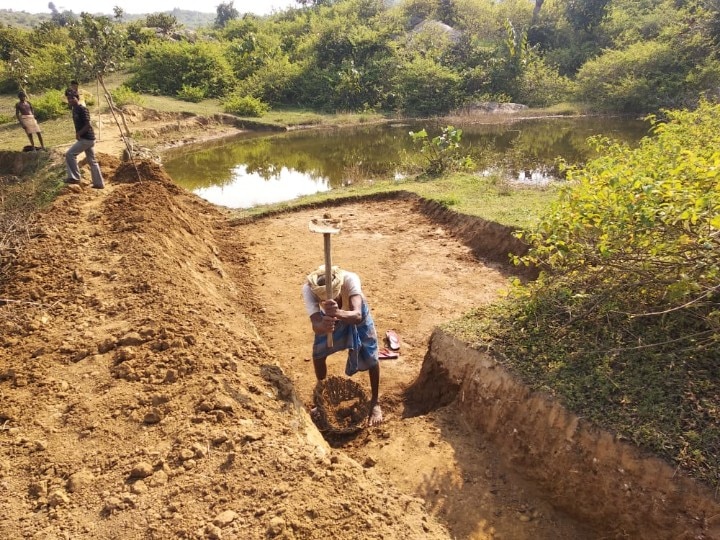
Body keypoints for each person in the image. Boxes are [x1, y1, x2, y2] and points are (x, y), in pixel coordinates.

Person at [302, 265, 383, 426]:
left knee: (370, 354)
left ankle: (375, 401)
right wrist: (323, 325)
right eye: (322, 300)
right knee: (318, 354)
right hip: (329, 319)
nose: (326, 301)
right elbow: (315, 324)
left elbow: (358, 315)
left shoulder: (350, 279)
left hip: (352, 313)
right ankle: (321, 397)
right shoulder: (309, 289)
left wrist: (338, 312)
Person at [64, 89, 105, 189]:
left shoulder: (82, 109)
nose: (70, 100)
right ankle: (99, 184)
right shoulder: (74, 110)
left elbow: (88, 125)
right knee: (92, 161)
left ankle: (75, 177)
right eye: (69, 99)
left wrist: (79, 134)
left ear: (77, 98)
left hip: (87, 139)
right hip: (86, 138)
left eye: (72, 98)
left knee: (70, 154)